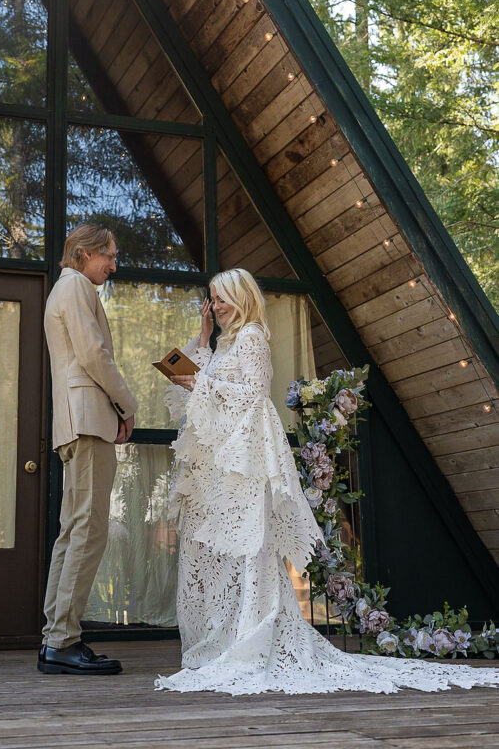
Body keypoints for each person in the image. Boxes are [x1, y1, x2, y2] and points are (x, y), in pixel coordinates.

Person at [156, 267, 499, 695]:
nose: (218, 305)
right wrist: (203, 338)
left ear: (243, 296)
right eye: (213, 298)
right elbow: (212, 383)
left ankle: (249, 639)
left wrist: (203, 382)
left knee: (247, 547)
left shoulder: (252, 336)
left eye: (223, 298)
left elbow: (255, 392)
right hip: (223, 458)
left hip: (246, 459)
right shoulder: (226, 340)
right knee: (222, 551)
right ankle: (223, 637)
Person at [38, 223, 137, 676]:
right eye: (109, 256)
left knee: (73, 530)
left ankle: (56, 637)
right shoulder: (76, 286)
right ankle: (62, 640)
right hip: (89, 422)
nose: (113, 265)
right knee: (89, 530)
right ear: (82, 253)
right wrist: (127, 405)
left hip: (75, 423)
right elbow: (96, 355)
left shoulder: (66, 289)